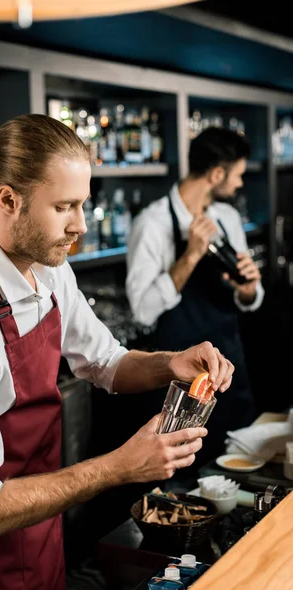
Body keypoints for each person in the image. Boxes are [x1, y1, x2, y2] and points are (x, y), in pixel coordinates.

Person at [0, 115, 233, 590]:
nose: (79, 225)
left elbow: (105, 362)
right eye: (64, 207)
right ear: (8, 201)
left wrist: (169, 363)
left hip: (42, 530)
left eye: (82, 204)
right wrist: (120, 467)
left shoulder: (50, 271)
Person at [126, 126, 263, 471]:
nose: (240, 184)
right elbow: (141, 311)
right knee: (182, 481)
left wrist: (248, 290)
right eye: (238, 175)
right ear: (217, 174)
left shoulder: (228, 218)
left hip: (229, 373)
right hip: (178, 387)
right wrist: (190, 256)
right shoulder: (152, 223)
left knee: (241, 473)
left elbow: (251, 295)